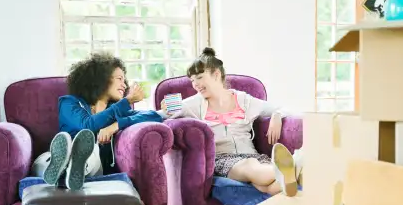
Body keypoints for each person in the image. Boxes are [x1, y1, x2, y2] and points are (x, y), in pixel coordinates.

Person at [160, 47, 301, 196]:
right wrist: (166, 110)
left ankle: (290, 174)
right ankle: (297, 166)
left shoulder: (244, 100)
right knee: (250, 166)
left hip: (253, 155)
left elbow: (284, 109)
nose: (195, 84)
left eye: (199, 77)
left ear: (216, 74)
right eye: (192, 80)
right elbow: (159, 115)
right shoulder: (193, 104)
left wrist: (277, 115)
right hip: (223, 159)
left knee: (266, 187)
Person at [32, 52, 164, 190]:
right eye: (119, 79)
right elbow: (87, 125)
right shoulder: (69, 102)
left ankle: (73, 170)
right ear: (101, 79)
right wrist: (127, 101)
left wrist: (116, 125)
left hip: (93, 164)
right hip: (62, 154)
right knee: (42, 162)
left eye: (124, 80)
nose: (124, 85)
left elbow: (152, 116)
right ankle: (61, 170)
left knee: (92, 150)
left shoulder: (116, 110)